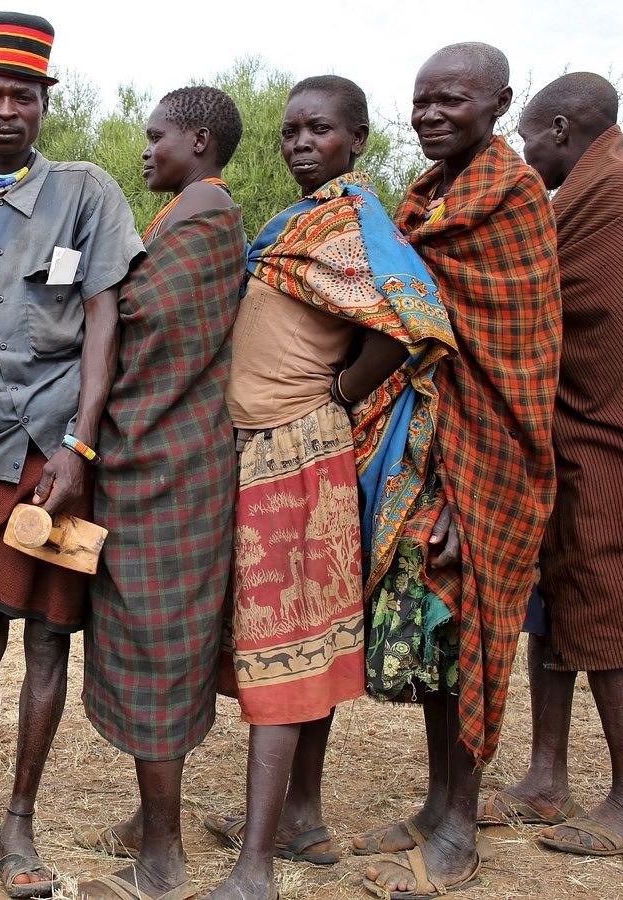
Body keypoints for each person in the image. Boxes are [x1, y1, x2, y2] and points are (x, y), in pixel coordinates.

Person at [199, 76, 453, 900]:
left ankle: (254, 870)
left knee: (288, 647)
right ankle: (301, 819)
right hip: (262, 449)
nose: (302, 143)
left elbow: (408, 327)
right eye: (291, 131)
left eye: (319, 129)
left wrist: (338, 394)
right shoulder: (296, 225)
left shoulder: (353, 225)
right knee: (293, 640)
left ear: (358, 139)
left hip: (300, 452)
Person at [0, 11, 142, 898]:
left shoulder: (87, 193)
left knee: (49, 642)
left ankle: (21, 825)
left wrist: (79, 445)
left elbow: (103, 322)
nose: (5, 110)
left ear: (46, 103)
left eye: (22, 96)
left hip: (57, 455)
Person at [475, 72, 623, 856]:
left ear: (563, 129)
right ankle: (546, 780)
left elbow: (553, 303)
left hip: (620, 443)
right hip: (573, 441)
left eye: (528, 138)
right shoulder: (591, 192)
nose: (525, 155)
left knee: (605, 619)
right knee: (554, 611)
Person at [359, 43, 561, 899]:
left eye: (451, 100)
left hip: (492, 455)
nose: (430, 115)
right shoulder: (425, 200)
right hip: (428, 454)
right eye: (421, 101)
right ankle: (437, 803)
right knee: (437, 636)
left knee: (468, 627)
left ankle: (459, 829)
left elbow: (516, 356)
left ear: (500, 104)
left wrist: (461, 484)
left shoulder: (512, 199)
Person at [75, 86, 247, 900]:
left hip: (172, 464)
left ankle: (163, 859)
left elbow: (144, 322)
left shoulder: (205, 218)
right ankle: (151, 821)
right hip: (152, 461)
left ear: (200, 140)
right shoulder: (183, 214)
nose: (145, 150)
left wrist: (90, 298)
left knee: (159, 648)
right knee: (145, 640)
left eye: (156, 136)